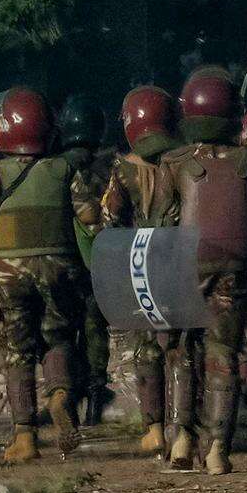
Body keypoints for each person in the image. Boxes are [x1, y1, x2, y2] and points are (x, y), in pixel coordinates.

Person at [0, 89, 90, 463]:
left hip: (8, 274)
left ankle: (25, 437)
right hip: (59, 268)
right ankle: (61, 393)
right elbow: (89, 218)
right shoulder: (64, 169)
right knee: (57, 337)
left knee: (17, 352)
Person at [160, 69, 247, 473]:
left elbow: (161, 222)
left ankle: (180, 439)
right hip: (235, 266)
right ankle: (217, 451)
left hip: (186, 261)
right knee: (223, 354)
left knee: (180, 348)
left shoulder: (175, 162)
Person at [98, 85, 181, 458]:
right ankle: (185, 428)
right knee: (181, 347)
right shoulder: (183, 161)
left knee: (147, 347)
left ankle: (154, 428)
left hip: (141, 263)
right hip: (179, 259)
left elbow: (108, 219)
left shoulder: (123, 170)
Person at [57, 96, 114, 423]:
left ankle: (65, 395)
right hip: (99, 260)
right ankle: (94, 399)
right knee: (95, 330)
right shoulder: (111, 165)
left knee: (63, 331)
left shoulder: (56, 167)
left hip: (64, 259)